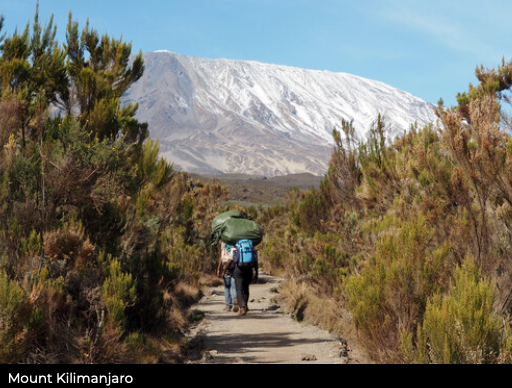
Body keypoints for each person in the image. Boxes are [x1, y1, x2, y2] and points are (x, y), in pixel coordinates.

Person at [233, 245, 259, 317]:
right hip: (249, 269)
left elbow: (231, 260)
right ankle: (246, 305)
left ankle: (242, 307)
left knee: (239, 289)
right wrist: (256, 273)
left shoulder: (236, 247)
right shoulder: (251, 247)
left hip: (238, 269)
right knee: (246, 288)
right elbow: (256, 261)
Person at [217, 242, 239, 313]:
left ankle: (228, 306)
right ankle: (235, 299)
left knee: (227, 287)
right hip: (234, 267)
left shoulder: (223, 243)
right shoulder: (236, 242)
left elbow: (221, 257)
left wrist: (218, 268)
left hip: (225, 268)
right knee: (234, 286)